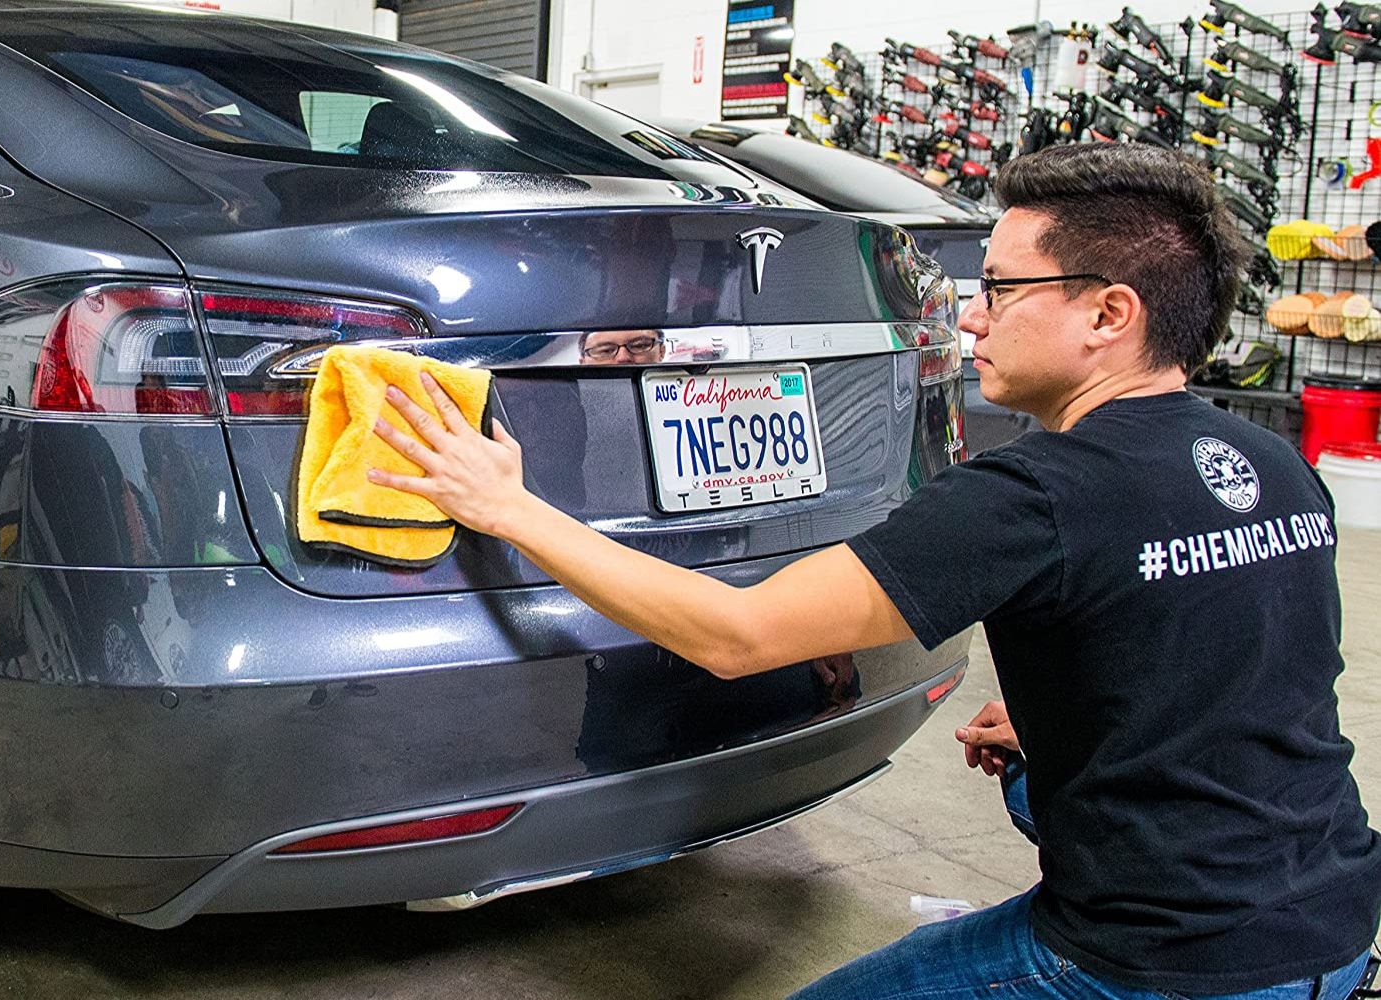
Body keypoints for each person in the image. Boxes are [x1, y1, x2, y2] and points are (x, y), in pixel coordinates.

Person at [364, 143, 1381, 999]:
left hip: (1168, 959)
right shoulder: (1271, 460)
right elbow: (1256, 660)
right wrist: (1069, 718)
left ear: (1109, 314)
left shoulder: (1033, 496)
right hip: (1335, 916)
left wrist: (509, 507)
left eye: (999, 291)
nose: (972, 318)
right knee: (1041, 786)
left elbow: (736, 636)